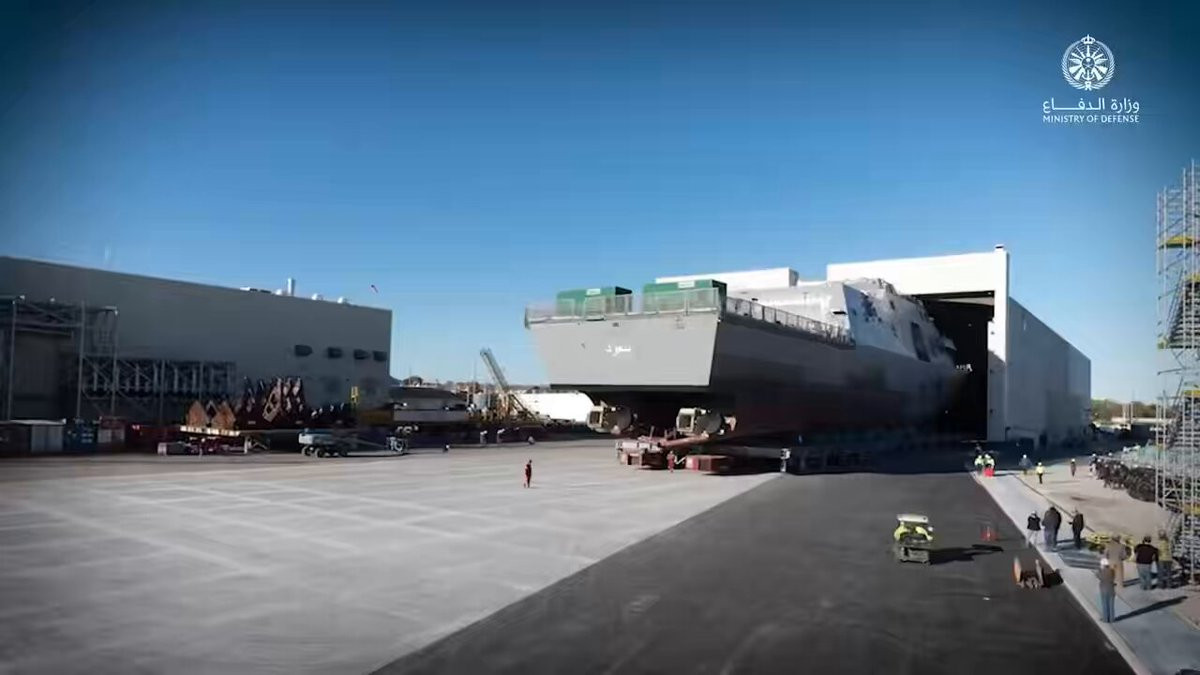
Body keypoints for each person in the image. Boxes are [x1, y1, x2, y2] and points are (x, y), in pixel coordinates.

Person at [1098, 557, 1117, 623]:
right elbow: (1113, 577)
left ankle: (1105, 619)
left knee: (1104, 604)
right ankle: (1112, 619)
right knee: (1111, 605)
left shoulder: (1101, 571)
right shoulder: (1112, 571)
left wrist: (1100, 569)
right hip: (1111, 589)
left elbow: (1098, 576)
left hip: (1103, 589)